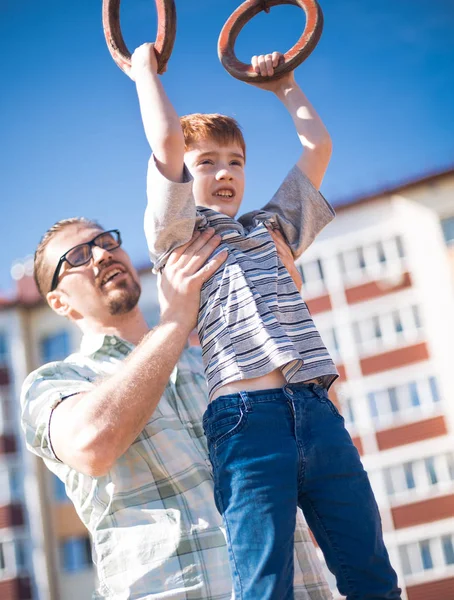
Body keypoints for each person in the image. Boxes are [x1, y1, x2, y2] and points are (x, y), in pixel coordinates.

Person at [131, 43, 401, 600]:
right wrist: (142, 69)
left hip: (317, 413)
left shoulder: (272, 228)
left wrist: (284, 85)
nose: (224, 172)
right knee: (264, 584)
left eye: (235, 161)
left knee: (372, 574)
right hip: (245, 420)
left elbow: (317, 146)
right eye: (205, 162)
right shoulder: (178, 233)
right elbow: (163, 141)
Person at [20, 217, 332, 599]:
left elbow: (305, 452)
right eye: (79, 256)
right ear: (58, 301)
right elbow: (92, 443)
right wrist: (176, 319)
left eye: (106, 241)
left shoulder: (217, 363)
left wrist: (280, 302)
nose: (102, 253)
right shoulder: (53, 383)